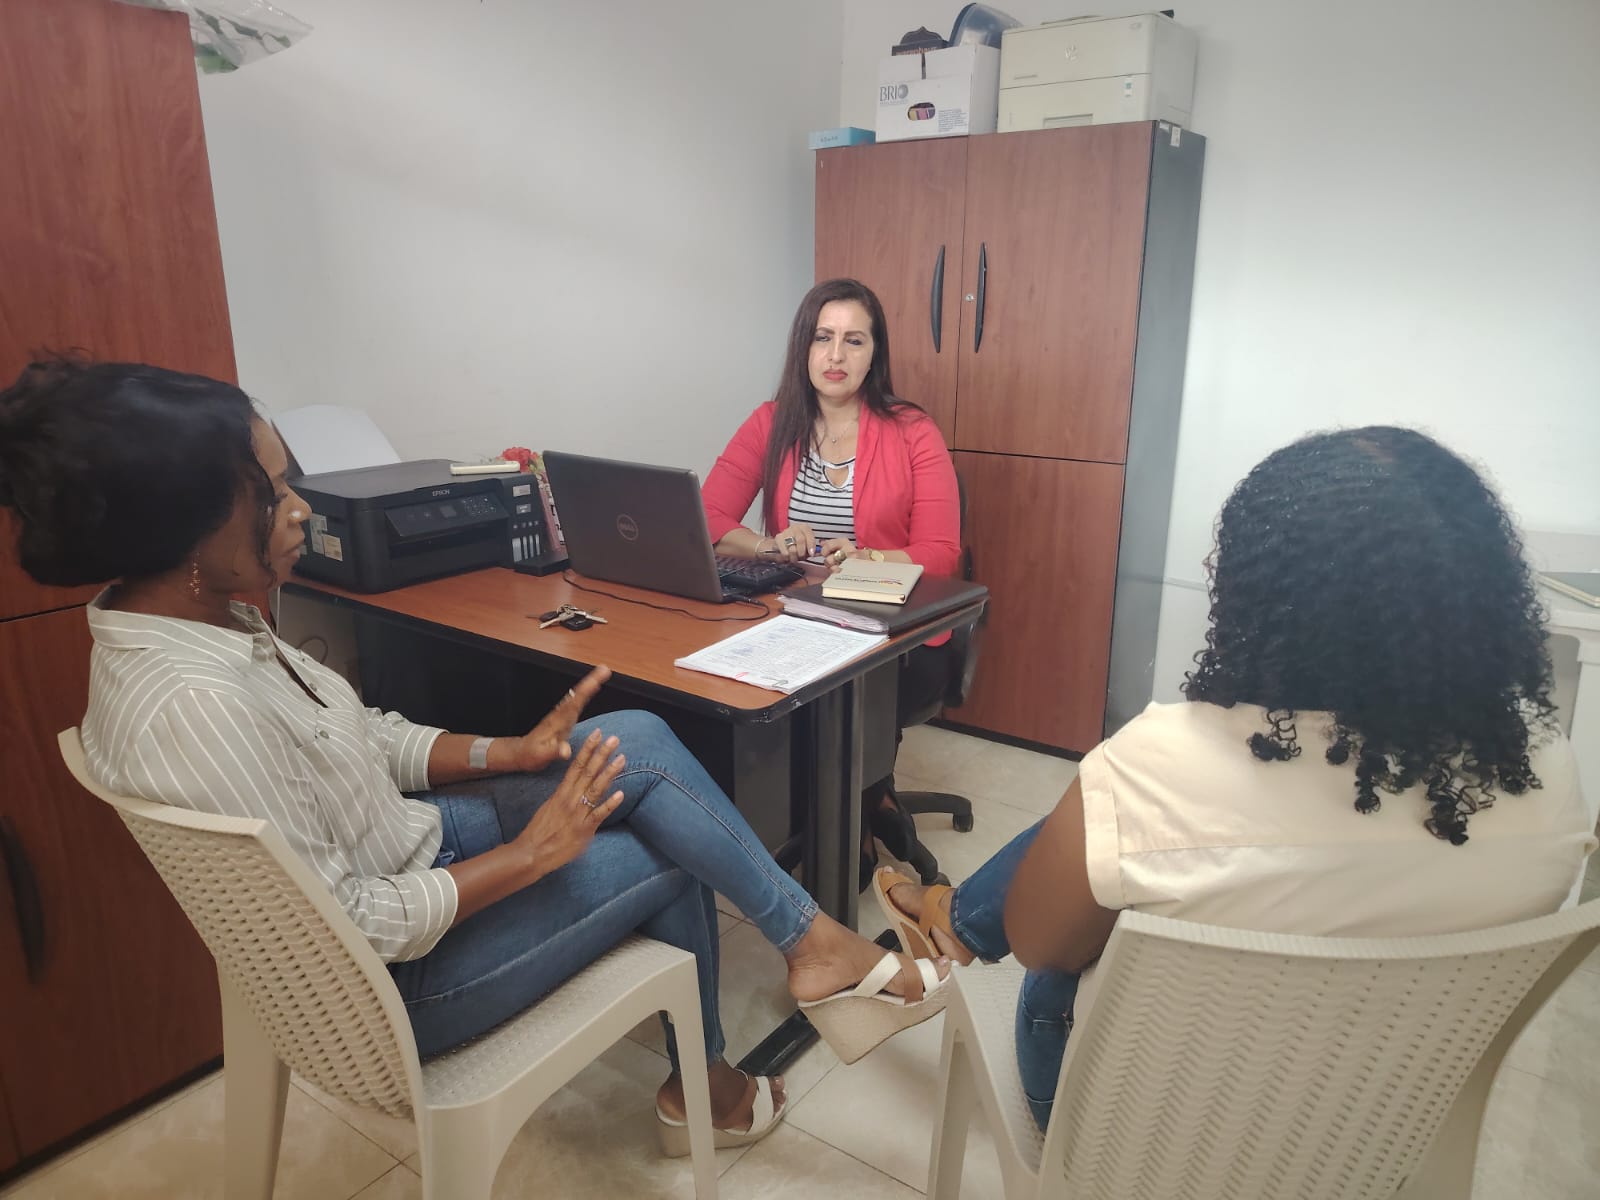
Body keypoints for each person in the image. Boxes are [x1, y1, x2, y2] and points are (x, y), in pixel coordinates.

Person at [0, 358, 951, 1158]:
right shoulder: (191, 704)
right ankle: (712, 1083)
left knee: (633, 742)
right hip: (397, 986)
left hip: (407, 845)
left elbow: (359, 734)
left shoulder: (198, 620)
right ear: (186, 528)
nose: (298, 513)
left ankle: (809, 946)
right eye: (273, 494)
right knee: (669, 849)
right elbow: (355, 922)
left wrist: (510, 750)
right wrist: (534, 853)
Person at [873, 425, 1595, 1132]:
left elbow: (1040, 947)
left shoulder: (1167, 760)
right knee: (1116, 825)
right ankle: (961, 917)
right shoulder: (1549, 773)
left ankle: (957, 922)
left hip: (1132, 1123)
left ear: (1261, 592)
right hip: (1388, 1129)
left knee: (1112, 837)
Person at [700, 278, 963, 881]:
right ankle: (834, 805)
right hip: (794, 617)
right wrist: (768, 544)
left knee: (845, 688)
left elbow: (942, 553)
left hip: (892, 630)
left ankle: (857, 813)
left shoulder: (912, 430)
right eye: (823, 338)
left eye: (854, 340)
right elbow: (707, 516)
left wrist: (868, 557)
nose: (836, 355)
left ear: (875, 354)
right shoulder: (771, 423)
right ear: (804, 347)